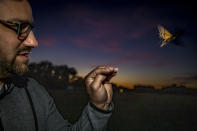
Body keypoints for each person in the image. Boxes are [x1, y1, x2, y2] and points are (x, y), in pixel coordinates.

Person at [0, 0, 118, 131]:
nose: (33, 42)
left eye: (30, 29)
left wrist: (99, 106)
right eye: (21, 27)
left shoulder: (33, 91)